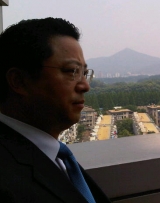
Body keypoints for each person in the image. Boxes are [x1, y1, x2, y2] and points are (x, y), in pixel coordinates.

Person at [0, 18, 110, 202]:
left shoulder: (57, 156)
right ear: (18, 81)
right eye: (71, 71)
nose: (85, 86)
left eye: (84, 73)